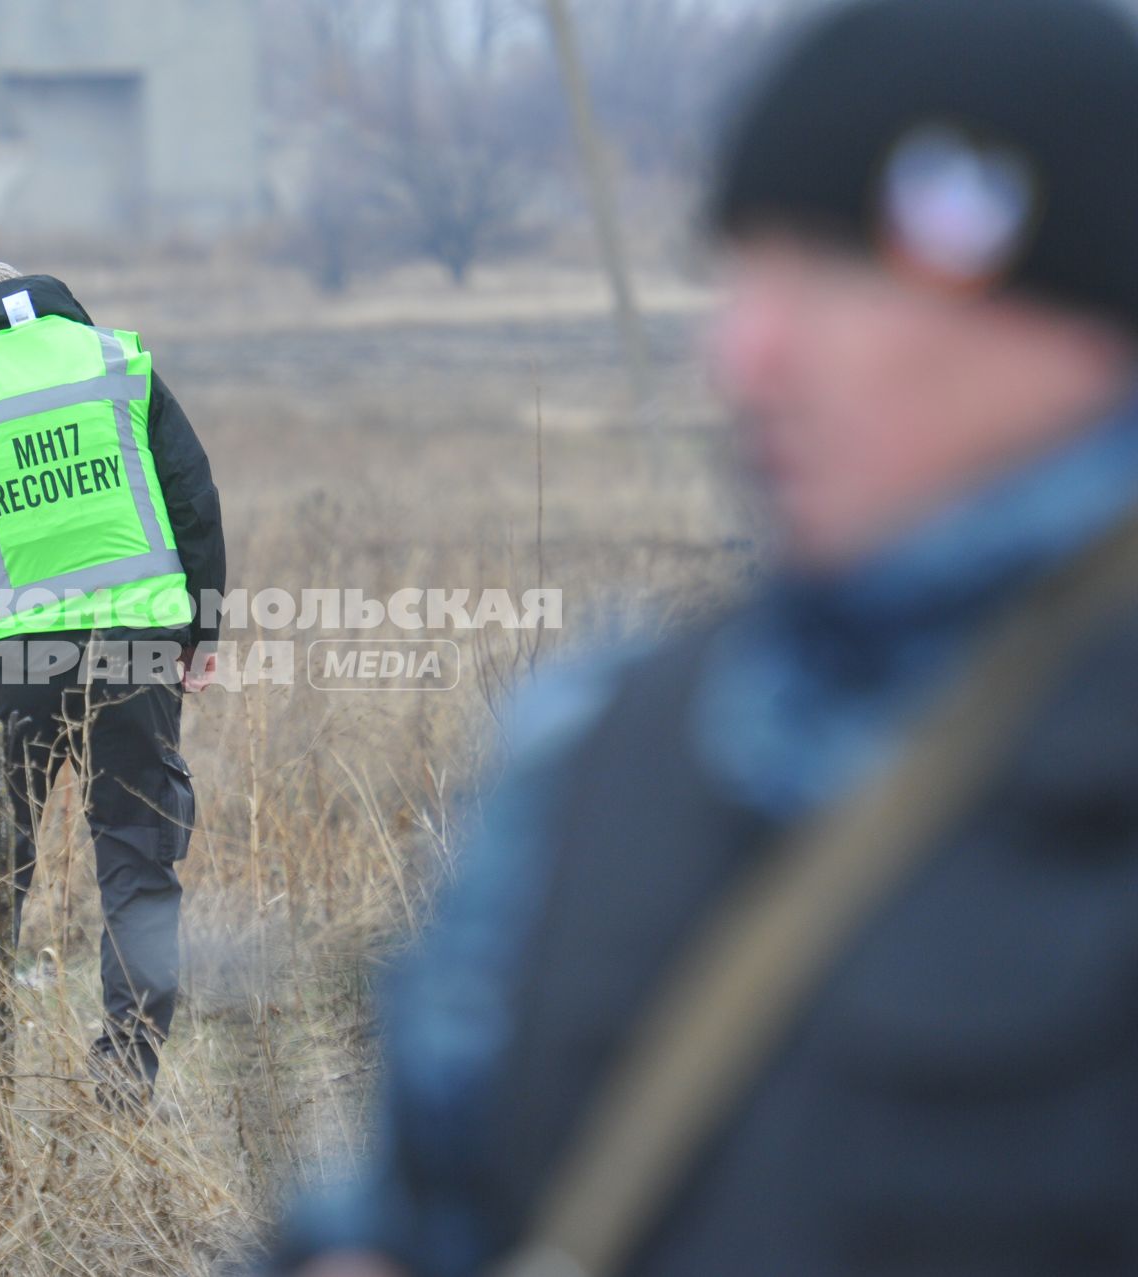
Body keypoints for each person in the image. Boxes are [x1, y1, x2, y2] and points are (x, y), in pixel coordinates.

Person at [272, 0, 1138, 1272]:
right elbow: (421, 1208)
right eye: (741, 270)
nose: (744, 356)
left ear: (1080, 319)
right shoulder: (604, 746)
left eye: (840, 275)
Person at [0, 263, 226, 1107]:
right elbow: (194, 501)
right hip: (139, 645)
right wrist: (201, 631)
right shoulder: (116, 361)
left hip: (19, 662)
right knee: (137, 858)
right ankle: (123, 1079)